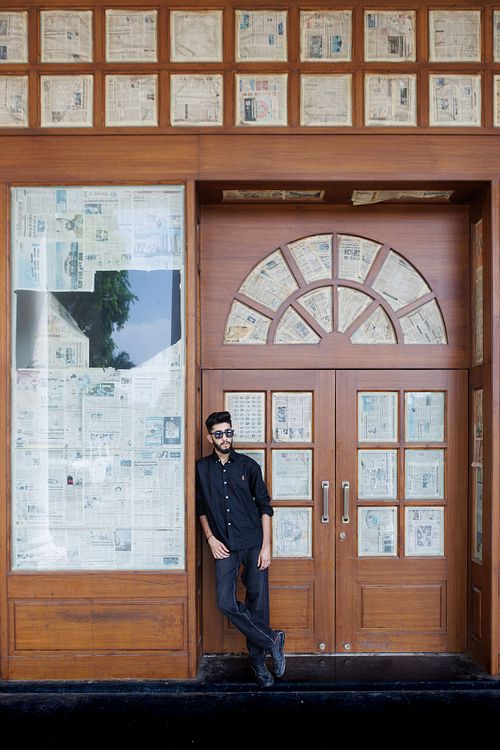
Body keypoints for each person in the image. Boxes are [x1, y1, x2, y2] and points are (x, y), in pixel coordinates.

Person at [196, 410, 285, 688]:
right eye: (219, 434)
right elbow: (201, 509)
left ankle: (259, 665)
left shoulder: (248, 466)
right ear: (210, 437)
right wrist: (211, 539)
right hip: (224, 545)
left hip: (253, 543)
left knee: (257, 604)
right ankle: (273, 639)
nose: (225, 438)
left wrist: (266, 547)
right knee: (225, 602)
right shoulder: (201, 469)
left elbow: (265, 507)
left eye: (228, 432)